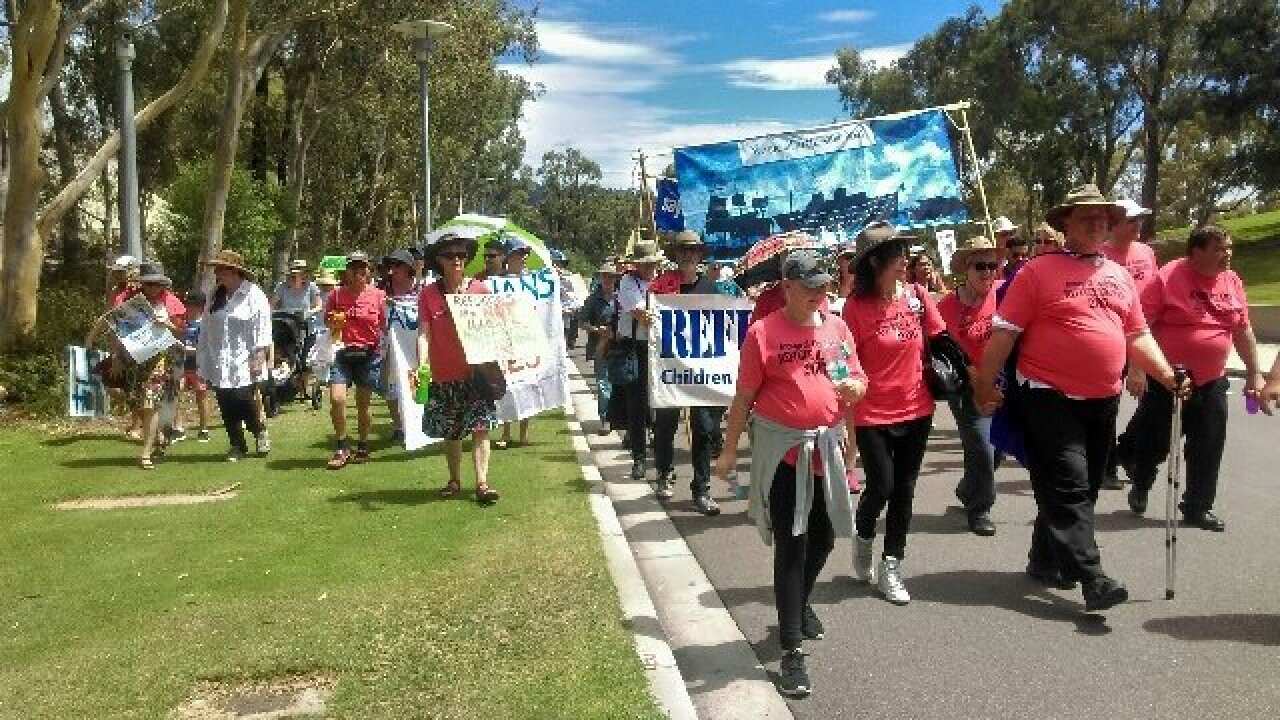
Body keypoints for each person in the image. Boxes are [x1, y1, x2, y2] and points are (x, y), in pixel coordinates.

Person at [973, 184, 1189, 612]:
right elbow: (1004, 334)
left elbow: (1137, 334)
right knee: (1070, 484)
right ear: (1066, 223)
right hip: (1047, 395)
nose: (1097, 223)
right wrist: (983, 384)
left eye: (1103, 217)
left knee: (1083, 488)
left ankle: (1043, 558)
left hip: (1103, 399)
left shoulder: (1119, 276)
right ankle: (1093, 577)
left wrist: (1166, 374)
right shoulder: (1037, 272)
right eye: (1086, 216)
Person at [715, 250, 867, 698]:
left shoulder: (836, 328)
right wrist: (728, 452)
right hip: (785, 455)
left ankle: (798, 604)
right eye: (810, 287)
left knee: (824, 538)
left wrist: (855, 401)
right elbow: (744, 397)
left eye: (824, 285)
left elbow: (854, 383)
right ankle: (792, 650)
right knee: (792, 547)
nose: (820, 293)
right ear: (786, 287)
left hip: (827, 451)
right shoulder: (763, 333)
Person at [1116, 225, 1262, 531]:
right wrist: (1138, 368)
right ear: (1196, 251)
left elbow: (1242, 330)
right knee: (1154, 442)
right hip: (1168, 379)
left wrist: (1254, 373)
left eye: (1229, 247)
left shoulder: (1232, 281)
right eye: (1219, 249)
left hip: (1212, 380)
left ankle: (1198, 506)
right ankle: (1141, 481)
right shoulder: (1168, 277)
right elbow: (1140, 326)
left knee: (1208, 445)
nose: (1227, 254)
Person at [841, 224, 947, 605]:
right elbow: (842, 362)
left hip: (918, 409)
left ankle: (891, 566)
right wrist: (845, 408)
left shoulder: (918, 297)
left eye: (905, 252)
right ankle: (863, 535)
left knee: (904, 489)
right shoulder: (854, 309)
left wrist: (976, 378)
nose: (906, 260)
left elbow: (942, 339)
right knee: (881, 486)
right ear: (875, 262)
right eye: (897, 253)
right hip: (872, 414)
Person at [414, 232, 500, 505]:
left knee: (481, 426)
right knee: (451, 432)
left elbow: (495, 327)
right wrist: (422, 364)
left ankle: (482, 483)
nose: (457, 260)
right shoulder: (428, 294)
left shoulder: (480, 290)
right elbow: (424, 333)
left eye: (462, 254)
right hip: (444, 374)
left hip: (477, 373)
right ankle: (454, 480)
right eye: (450, 255)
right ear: (439, 261)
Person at [647, 230, 729, 515]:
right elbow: (649, 327)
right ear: (676, 254)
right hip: (669, 369)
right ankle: (664, 473)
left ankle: (702, 489)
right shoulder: (661, 287)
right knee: (665, 426)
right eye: (683, 250)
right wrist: (646, 318)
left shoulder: (711, 289)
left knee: (704, 429)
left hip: (701, 370)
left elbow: (723, 329)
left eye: (693, 250)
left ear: (699, 256)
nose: (688, 255)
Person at [86, 262, 186, 469]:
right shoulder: (128, 300)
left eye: (157, 284)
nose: (153, 288)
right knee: (135, 401)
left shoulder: (171, 302)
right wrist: (110, 353)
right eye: (149, 284)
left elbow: (180, 332)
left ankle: (146, 454)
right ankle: (157, 434)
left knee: (150, 404)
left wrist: (167, 324)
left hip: (159, 361)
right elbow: (111, 324)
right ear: (142, 284)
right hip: (131, 360)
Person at [937, 237, 1004, 536]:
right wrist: (972, 377)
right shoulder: (946, 307)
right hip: (966, 385)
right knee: (982, 446)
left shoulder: (1004, 294)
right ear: (966, 268)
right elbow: (939, 348)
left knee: (1000, 446)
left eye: (992, 265)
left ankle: (968, 488)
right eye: (980, 266)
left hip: (1002, 382)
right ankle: (980, 509)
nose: (988, 272)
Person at [1102, 200, 1161, 489]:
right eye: (1131, 220)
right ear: (1113, 225)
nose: (1138, 225)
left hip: (1144, 335)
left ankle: (1126, 448)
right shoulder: (1100, 255)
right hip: (1112, 338)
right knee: (1108, 404)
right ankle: (1106, 466)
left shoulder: (1146, 253)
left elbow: (1157, 292)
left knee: (1153, 402)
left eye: (1140, 219)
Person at [196, 251, 273, 462]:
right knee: (225, 402)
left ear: (235, 271)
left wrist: (259, 355)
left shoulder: (254, 295)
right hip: (219, 357)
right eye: (217, 269)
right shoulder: (215, 295)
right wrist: (203, 357)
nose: (217, 273)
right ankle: (237, 444)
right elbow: (206, 327)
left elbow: (263, 327)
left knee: (242, 399)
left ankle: (258, 430)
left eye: (221, 269)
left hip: (245, 358)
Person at [324, 251, 388, 468]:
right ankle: (342, 445)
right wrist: (334, 321)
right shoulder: (336, 295)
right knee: (337, 399)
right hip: (342, 354)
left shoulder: (378, 296)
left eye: (363, 267)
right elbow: (327, 322)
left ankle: (363, 444)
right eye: (354, 268)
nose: (359, 271)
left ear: (368, 271)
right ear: (347, 271)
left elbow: (385, 325)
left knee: (363, 404)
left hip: (369, 354)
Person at [608, 240, 665, 480]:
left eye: (652, 264)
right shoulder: (628, 282)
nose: (650, 268)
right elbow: (643, 314)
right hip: (635, 347)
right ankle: (639, 458)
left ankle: (662, 459)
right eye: (645, 264)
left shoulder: (664, 281)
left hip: (659, 348)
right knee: (637, 405)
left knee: (662, 402)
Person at [496, 237, 535, 448]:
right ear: (509, 257)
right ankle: (506, 432)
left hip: (526, 339)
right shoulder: (497, 282)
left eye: (524, 254)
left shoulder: (533, 281)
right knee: (507, 386)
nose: (524, 258)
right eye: (520, 254)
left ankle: (524, 433)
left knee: (527, 384)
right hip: (505, 341)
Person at [382, 249, 421, 442]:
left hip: (415, 347)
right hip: (390, 347)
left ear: (408, 268)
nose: (393, 269)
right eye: (391, 265)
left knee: (417, 384)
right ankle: (398, 425)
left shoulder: (421, 290)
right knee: (390, 387)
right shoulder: (382, 290)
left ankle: (418, 422)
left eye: (397, 265)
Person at [272, 259, 322, 403]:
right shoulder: (281, 287)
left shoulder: (311, 287)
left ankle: (303, 388)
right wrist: (272, 312)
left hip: (306, 327)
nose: (296, 276)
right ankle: (282, 384)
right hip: (285, 326)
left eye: (299, 273)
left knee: (305, 361)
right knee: (284, 355)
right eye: (293, 274)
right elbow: (272, 304)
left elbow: (319, 305)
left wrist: (308, 312)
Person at [580, 260, 620, 435]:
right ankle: (606, 419)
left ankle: (621, 419)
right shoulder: (592, 299)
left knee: (621, 384)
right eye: (605, 276)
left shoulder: (622, 297)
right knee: (603, 383)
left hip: (621, 346)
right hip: (600, 347)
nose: (608, 280)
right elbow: (582, 322)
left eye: (611, 276)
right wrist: (597, 330)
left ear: (616, 278)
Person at [175, 290, 211, 443]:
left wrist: (187, 349)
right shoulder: (181, 322)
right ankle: (178, 428)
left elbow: (205, 348)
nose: (190, 308)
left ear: (201, 307)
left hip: (198, 365)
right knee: (178, 394)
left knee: (201, 396)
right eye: (188, 304)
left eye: (194, 305)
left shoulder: (205, 324)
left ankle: (204, 429)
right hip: (182, 364)